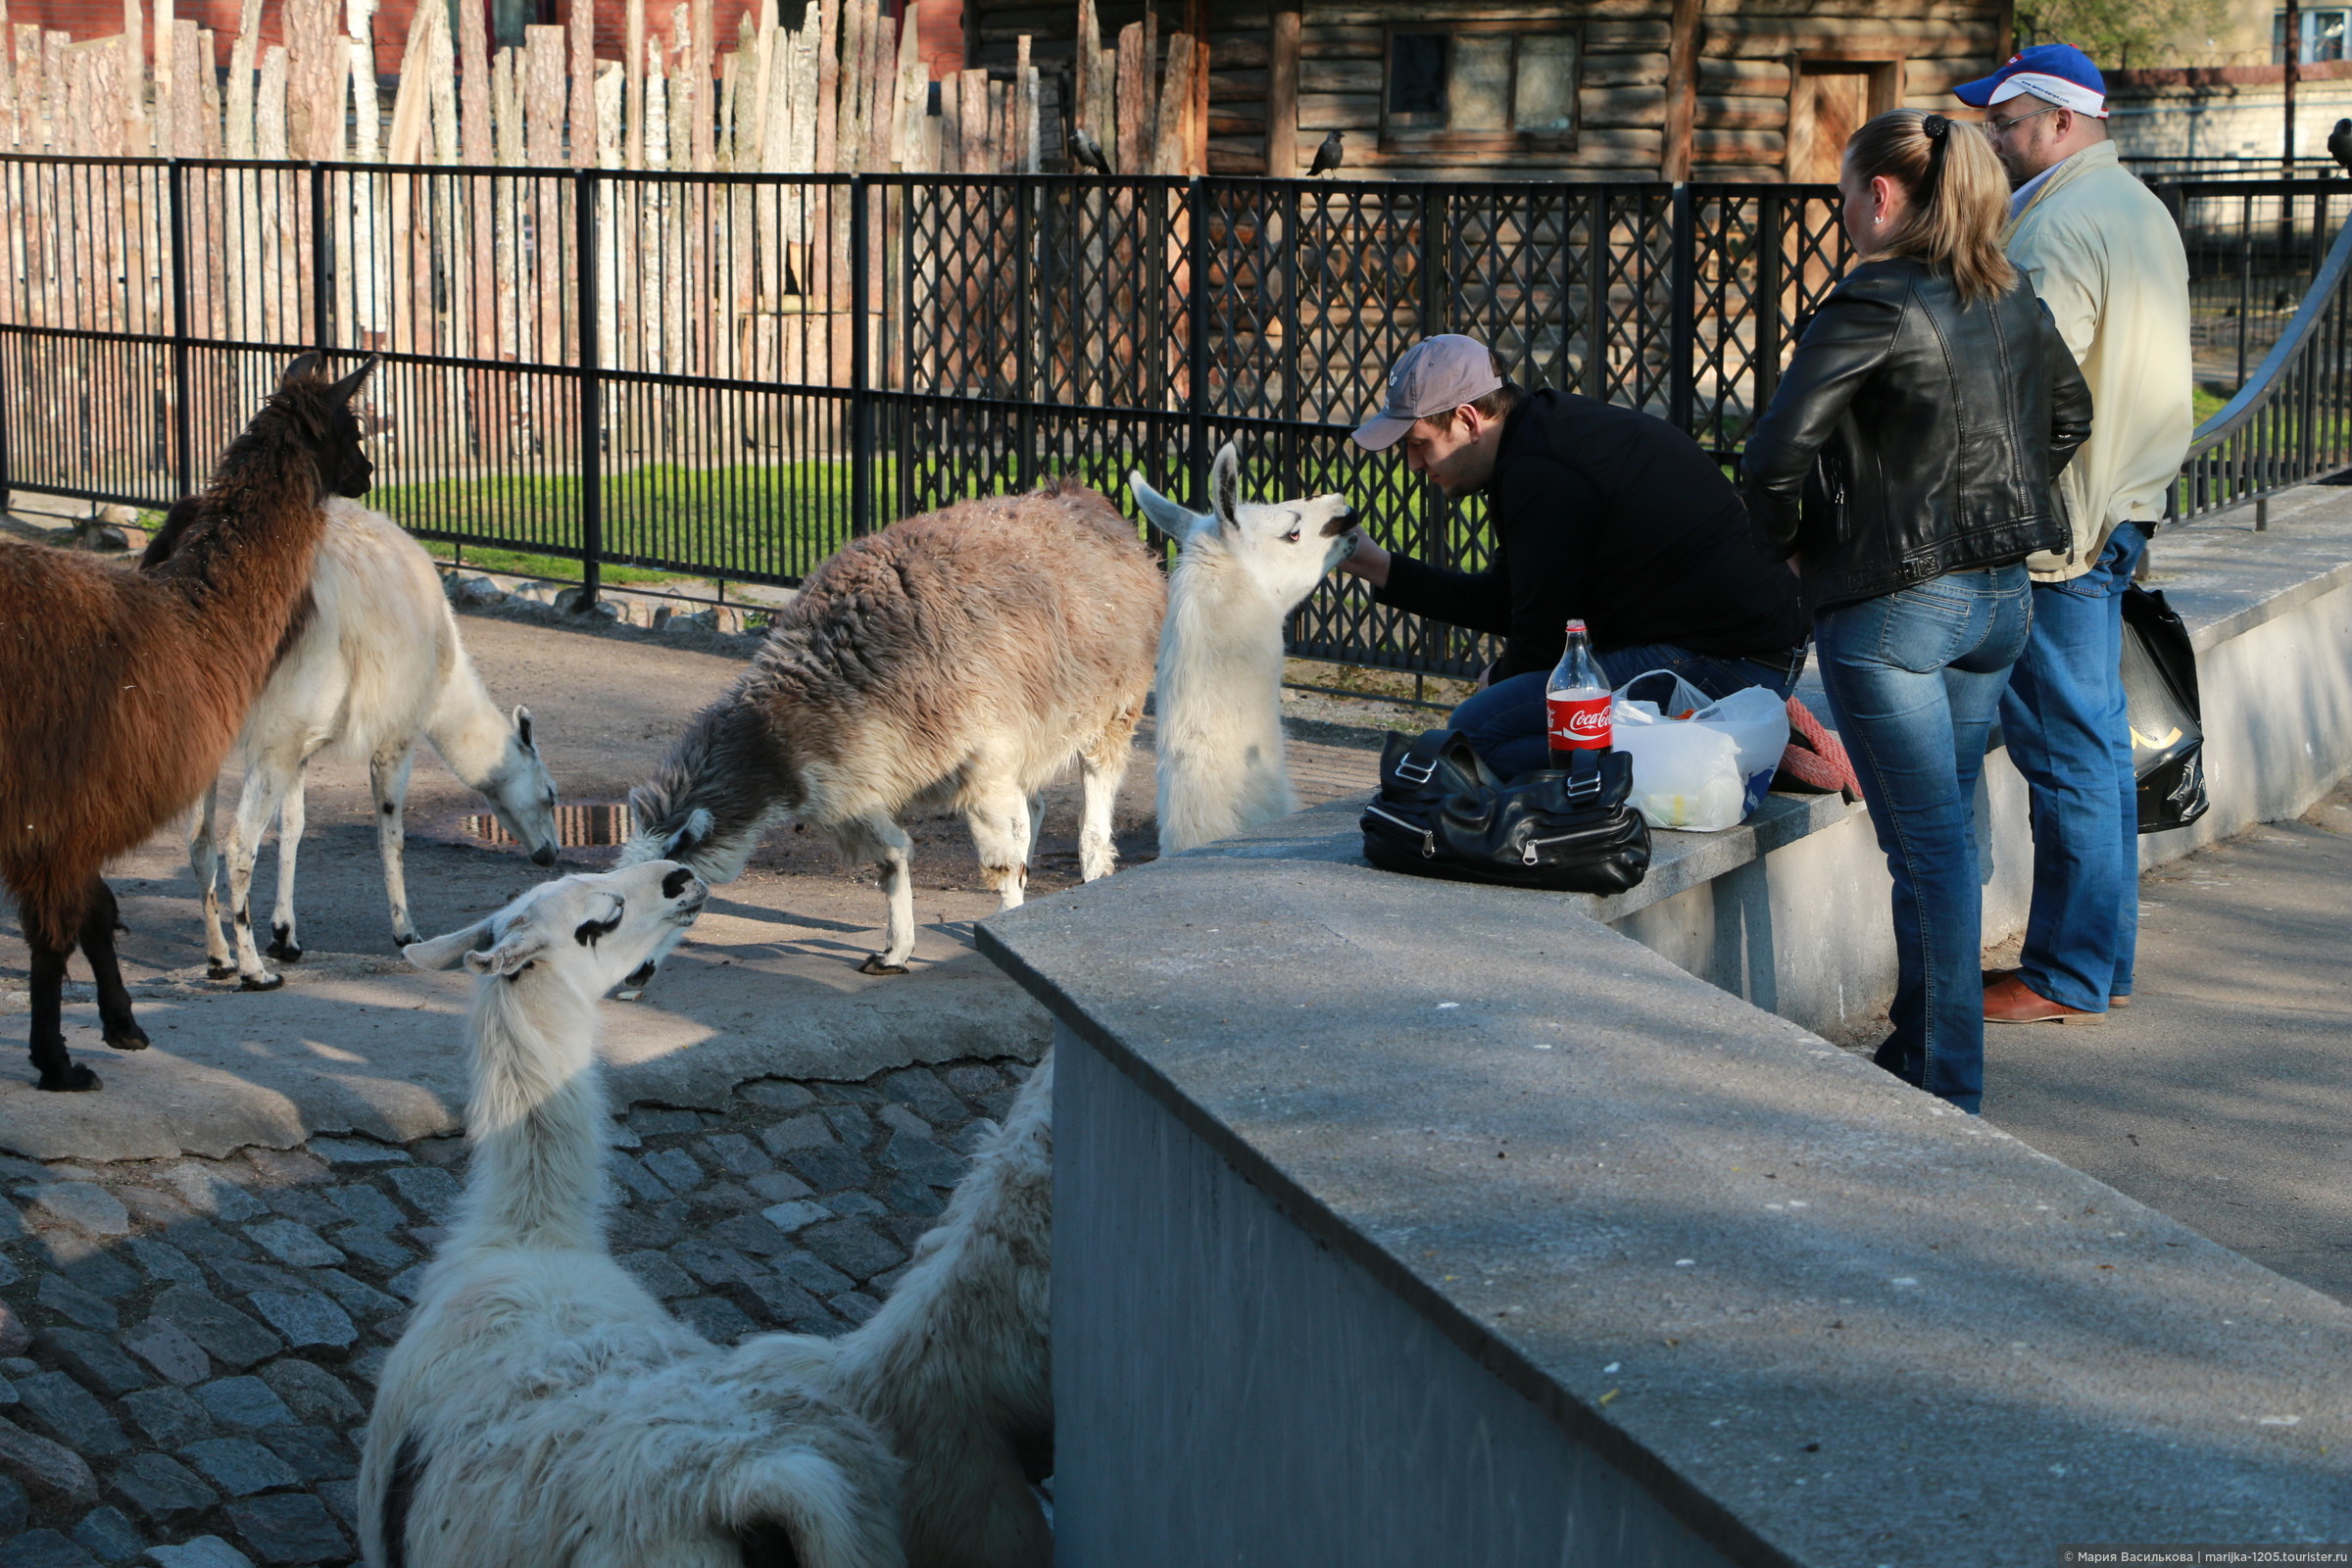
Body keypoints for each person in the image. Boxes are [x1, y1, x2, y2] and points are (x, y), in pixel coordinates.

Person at [1740, 110, 2092, 1114]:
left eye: (1847, 191)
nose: (1844, 208)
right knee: (1946, 841)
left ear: (1883, 196)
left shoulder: (1876, 296)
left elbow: (1773, 455)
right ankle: (1925, 1056)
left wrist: (1800, 544)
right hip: (1996, 602)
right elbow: (2069, 416)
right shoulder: (2007, 291)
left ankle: (1941, 1083)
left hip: (1897, 610)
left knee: (1930, 847)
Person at [1953, 45, 2194, 1027]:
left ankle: (2066, 973)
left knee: (2068, 757)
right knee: (2090, 753)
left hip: (2061, 531)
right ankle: (2102, 962)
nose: (1993, 142)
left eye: (2004, 124)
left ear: (2056, 122)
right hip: (2120, 510)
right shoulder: (2136, 207)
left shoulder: (2056, 224)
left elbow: (2028, 398)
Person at [1337, 335, 1808, 778]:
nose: (1415, 465)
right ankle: (1708, 742)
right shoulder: (1537, 439)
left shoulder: (1540, 471)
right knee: (1489, 719)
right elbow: (1509, 603)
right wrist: (1375, 565)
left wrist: (1500, 679)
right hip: (1739, 650)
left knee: (1475, 734)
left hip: (1729, 663)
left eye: (1419, 444)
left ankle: (1711, 753)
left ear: (1467, 419)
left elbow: (1543, 640)